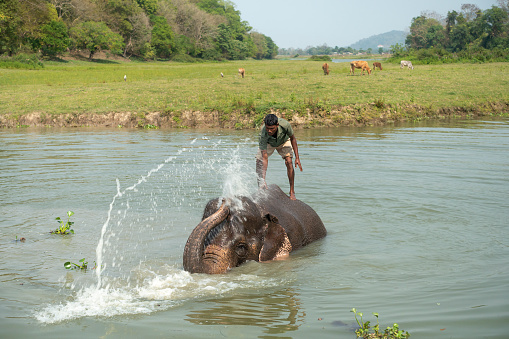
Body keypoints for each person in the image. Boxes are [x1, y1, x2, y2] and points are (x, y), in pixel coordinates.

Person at [256, 114, 302, 200]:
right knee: (259, 161)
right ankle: (261, 186)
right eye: (267, 128)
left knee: (289, 161)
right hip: (269, 143)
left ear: (277, 125)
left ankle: (292, 191)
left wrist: (297, 158)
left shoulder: (285, 125)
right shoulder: (263, 133)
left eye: (272, 129)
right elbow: (265, 157)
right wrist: (263, 179)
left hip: (283, 141)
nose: (269, 131)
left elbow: (293, 139)